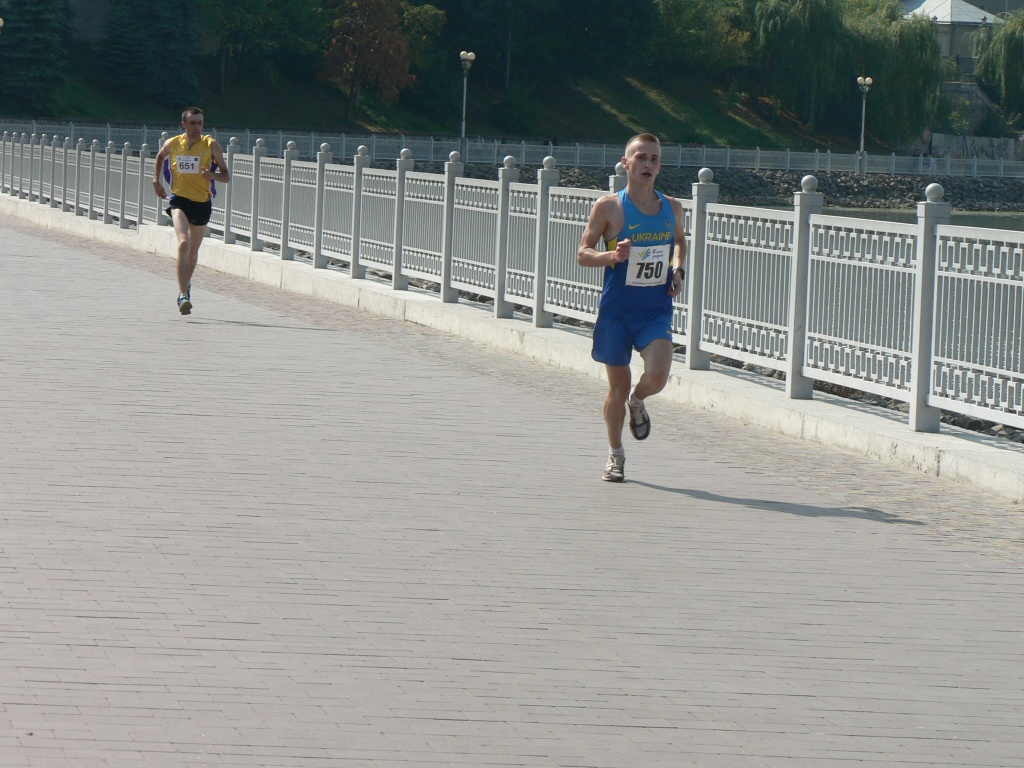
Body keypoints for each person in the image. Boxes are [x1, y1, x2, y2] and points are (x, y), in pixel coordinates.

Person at [577, 133, 687, 482]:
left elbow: (680, 242)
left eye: (654, 159)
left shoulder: (672, 208)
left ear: (660, 167)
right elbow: (583, 253)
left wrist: (678, 270)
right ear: (626, 163)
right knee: (617, 388)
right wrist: (612, 255)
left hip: (655, 309)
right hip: (617, 313)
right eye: (641, 157)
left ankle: (638, 401)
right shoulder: (610, 207)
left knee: (657, 377)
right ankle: (615, 454)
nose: (648, 164)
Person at [153, 107, 230, 315]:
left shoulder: (211, 145)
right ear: (184, 124)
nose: (197, 127)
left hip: (202, 202)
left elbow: (226, 175)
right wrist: (156, 181)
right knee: (183, 243)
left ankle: (186, 285)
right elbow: (160, 156)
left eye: (200, 123)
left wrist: (212, 176)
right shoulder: (173, 143)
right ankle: (182, 295)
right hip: (179, 199)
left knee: (193, 251)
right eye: (193, 123)